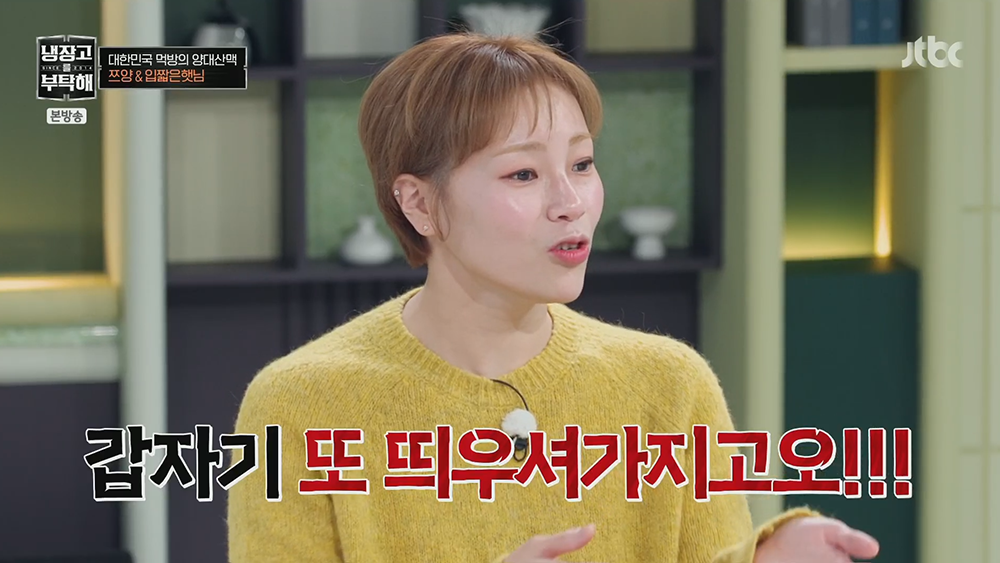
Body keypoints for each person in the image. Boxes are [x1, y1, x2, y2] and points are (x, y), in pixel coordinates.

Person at [227, 33, 880, 563]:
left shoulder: (671, 385)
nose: (571, 204)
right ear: (419, 203)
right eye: (523, 173)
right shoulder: (300, 403)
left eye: (582, 164)